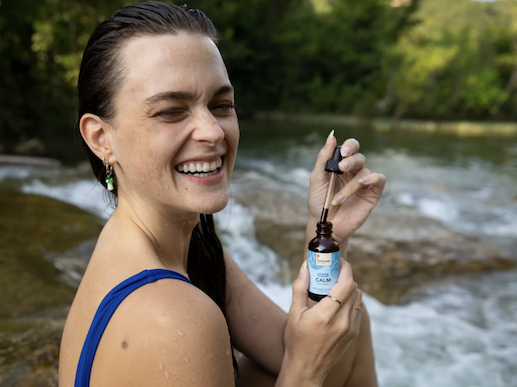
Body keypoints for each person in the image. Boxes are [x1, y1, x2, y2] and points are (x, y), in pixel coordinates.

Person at [58, 2, 386, 386]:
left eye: (221, 105)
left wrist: (325, 231)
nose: (213, 131)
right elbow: (308, 364)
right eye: (170, 111)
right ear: (101, 138)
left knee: (350, 324)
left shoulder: (190, 249)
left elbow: (304, 346)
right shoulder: (172, 314)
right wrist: (306, 373)